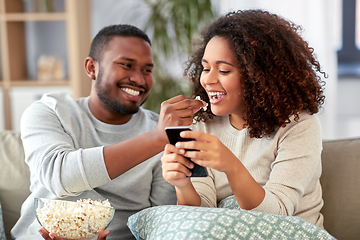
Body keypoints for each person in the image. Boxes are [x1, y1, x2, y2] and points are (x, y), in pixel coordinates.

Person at [11, 24, 205, 240]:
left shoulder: (160, 131)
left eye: (147, 70)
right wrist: (156, 139)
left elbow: (162, 219)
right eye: (126, 65)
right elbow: (61, 176)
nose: (139, 80)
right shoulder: (49, 111)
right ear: (91, 68)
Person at [161, 9, 327, 229]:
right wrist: (182, 185)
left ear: (258, 76)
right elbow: (200, 215)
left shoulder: (299, 126)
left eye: (223, 70)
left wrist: (231, 165)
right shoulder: (202, 124)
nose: (208, 80)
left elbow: (279, 213)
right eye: (206, 68)